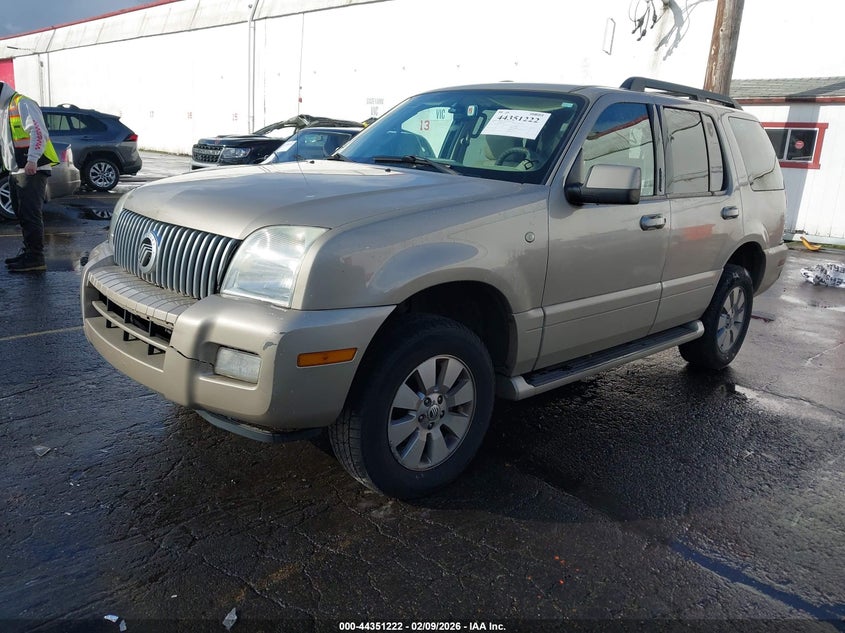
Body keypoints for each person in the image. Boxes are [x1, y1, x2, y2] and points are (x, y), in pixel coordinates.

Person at [0, 81, 59, 272]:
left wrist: (32, 160)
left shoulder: (22, 103)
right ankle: (29, 252)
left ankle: (36, 258)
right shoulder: (5, 108)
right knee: (22, 214)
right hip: (16, 170)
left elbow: (38, 132)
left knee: (30, 214)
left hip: (31, 169)